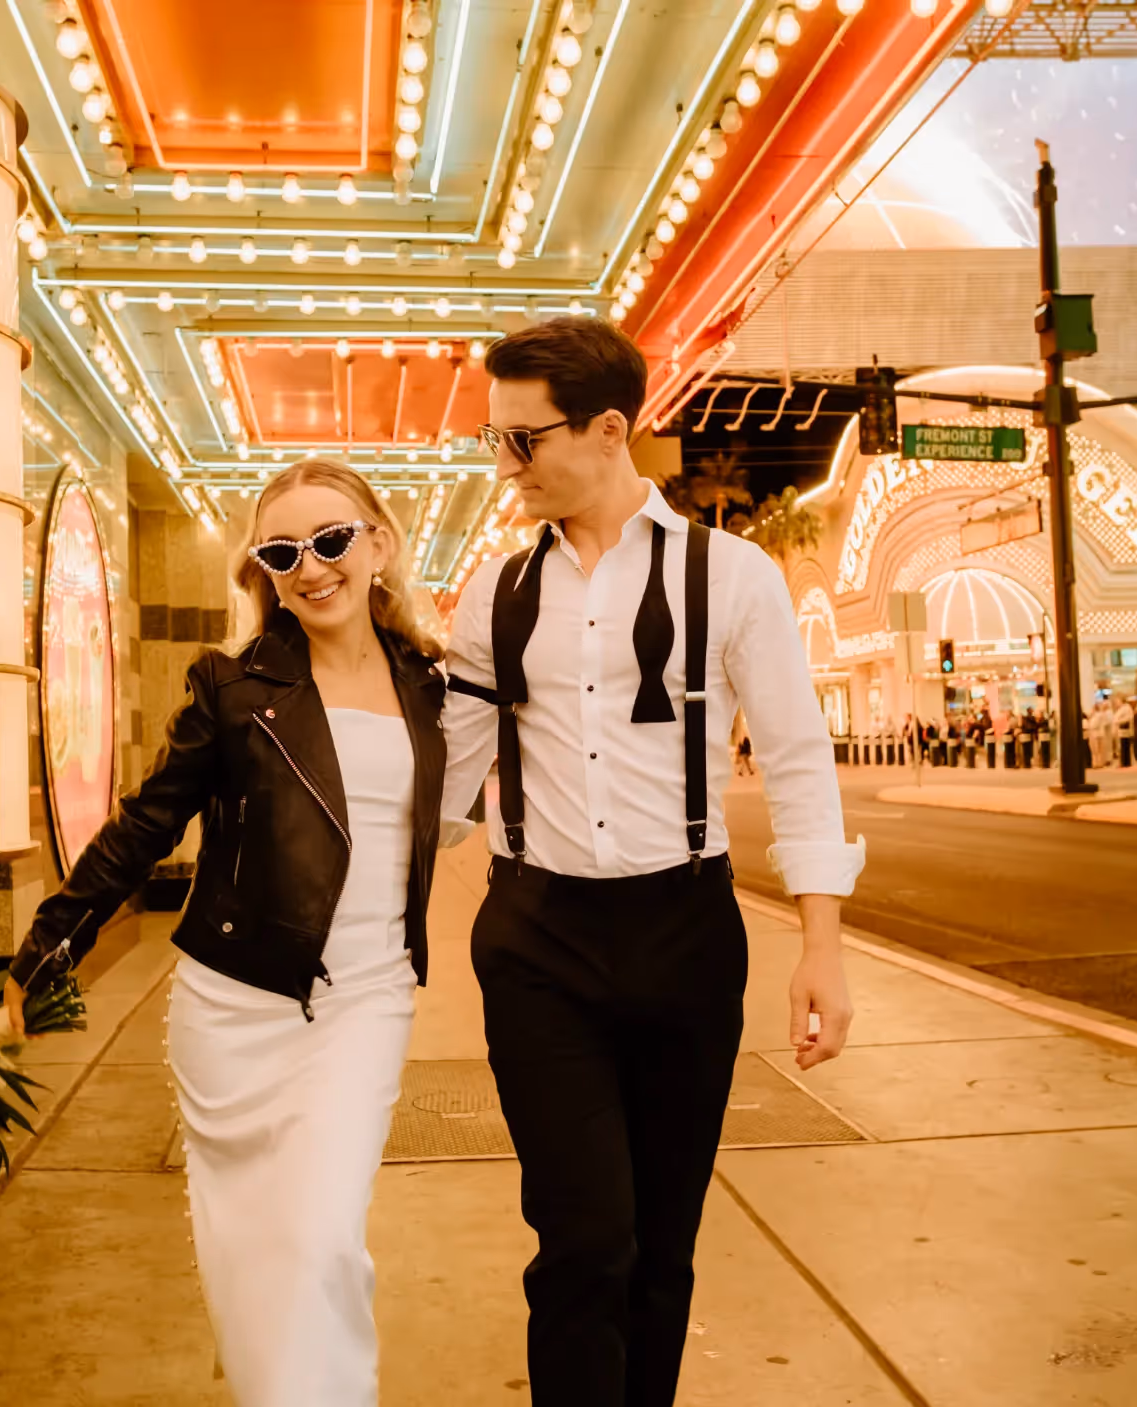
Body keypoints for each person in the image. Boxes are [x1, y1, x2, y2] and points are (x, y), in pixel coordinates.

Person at [443, 318, 864, 1407]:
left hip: (686, 936)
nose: (506, 463)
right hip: (536, 942)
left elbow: (797, 757)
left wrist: (821, 946)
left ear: (608, 430)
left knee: (661, 1246)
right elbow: (438, 796)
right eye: (496, 439)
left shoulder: (733, 577)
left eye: (524, 439)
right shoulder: (495, 593)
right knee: (584, 1237)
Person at [4, 458, 447, 1406]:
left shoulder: (429, 682)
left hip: (367, 999)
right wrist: (49, 941)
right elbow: (145, 822)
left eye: (332, 540)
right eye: (283, 553)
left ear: (378, 544)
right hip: (235, 1006)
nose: (311, 566)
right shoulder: (235, 687)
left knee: (320, 1234)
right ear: (265, 574)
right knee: (254, 1250)